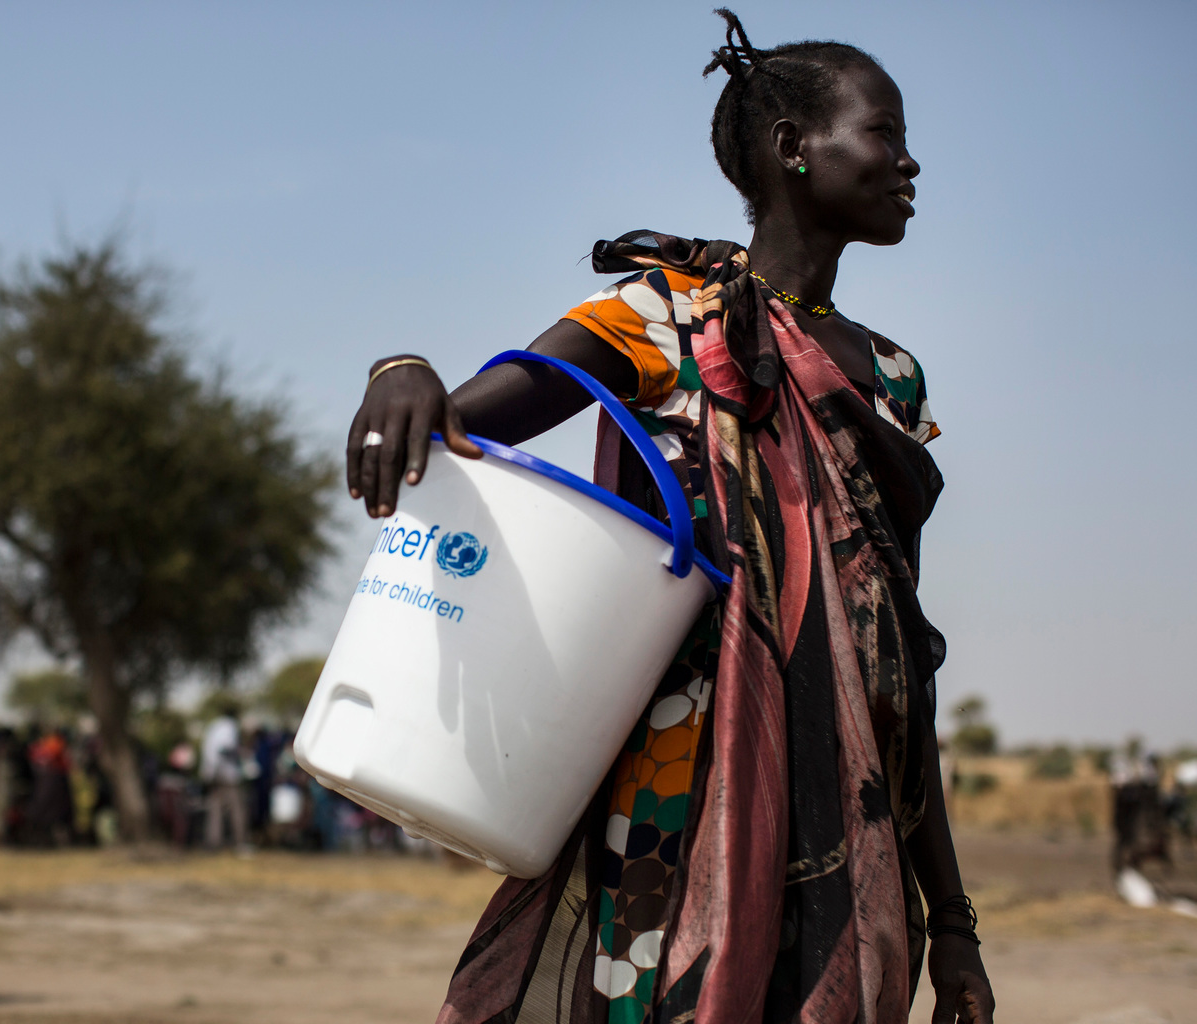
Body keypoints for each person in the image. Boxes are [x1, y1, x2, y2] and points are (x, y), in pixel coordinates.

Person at [346, 12, 992, 1023]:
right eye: (884, 134)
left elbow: (900, 667)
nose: (910, 163)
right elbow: (477, 412)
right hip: (675, 801)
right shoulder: (662, 320)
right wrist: (401, 373)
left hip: (846, 824)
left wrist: (951, 917)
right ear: (792, 148)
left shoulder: (893, 384)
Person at [199, 701, 248, 850]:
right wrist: (242, 754)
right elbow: (224, 748)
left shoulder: (214, 726)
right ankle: (240, 842)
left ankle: (213, 842)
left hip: (211, 773)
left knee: (215, 808)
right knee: (236, 808)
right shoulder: (229, 726)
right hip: (225, 773)